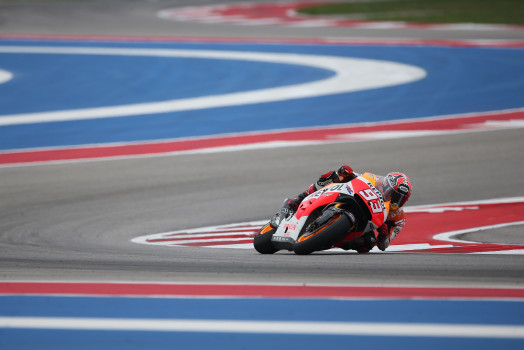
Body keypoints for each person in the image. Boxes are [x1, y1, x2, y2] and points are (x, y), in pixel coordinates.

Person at [277, 165, 411, 252]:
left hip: (365, 222)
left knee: (368, 244)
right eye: (394, 195)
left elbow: (383, 245)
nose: (396, 201)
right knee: (334, 176)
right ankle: (299, 199)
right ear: (386, 185)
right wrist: (346, 173)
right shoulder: (373, 179)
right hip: (353, 198)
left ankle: (328, 240)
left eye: (401, 199)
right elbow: (356, 177)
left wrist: (383, 234)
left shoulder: (399, 219)